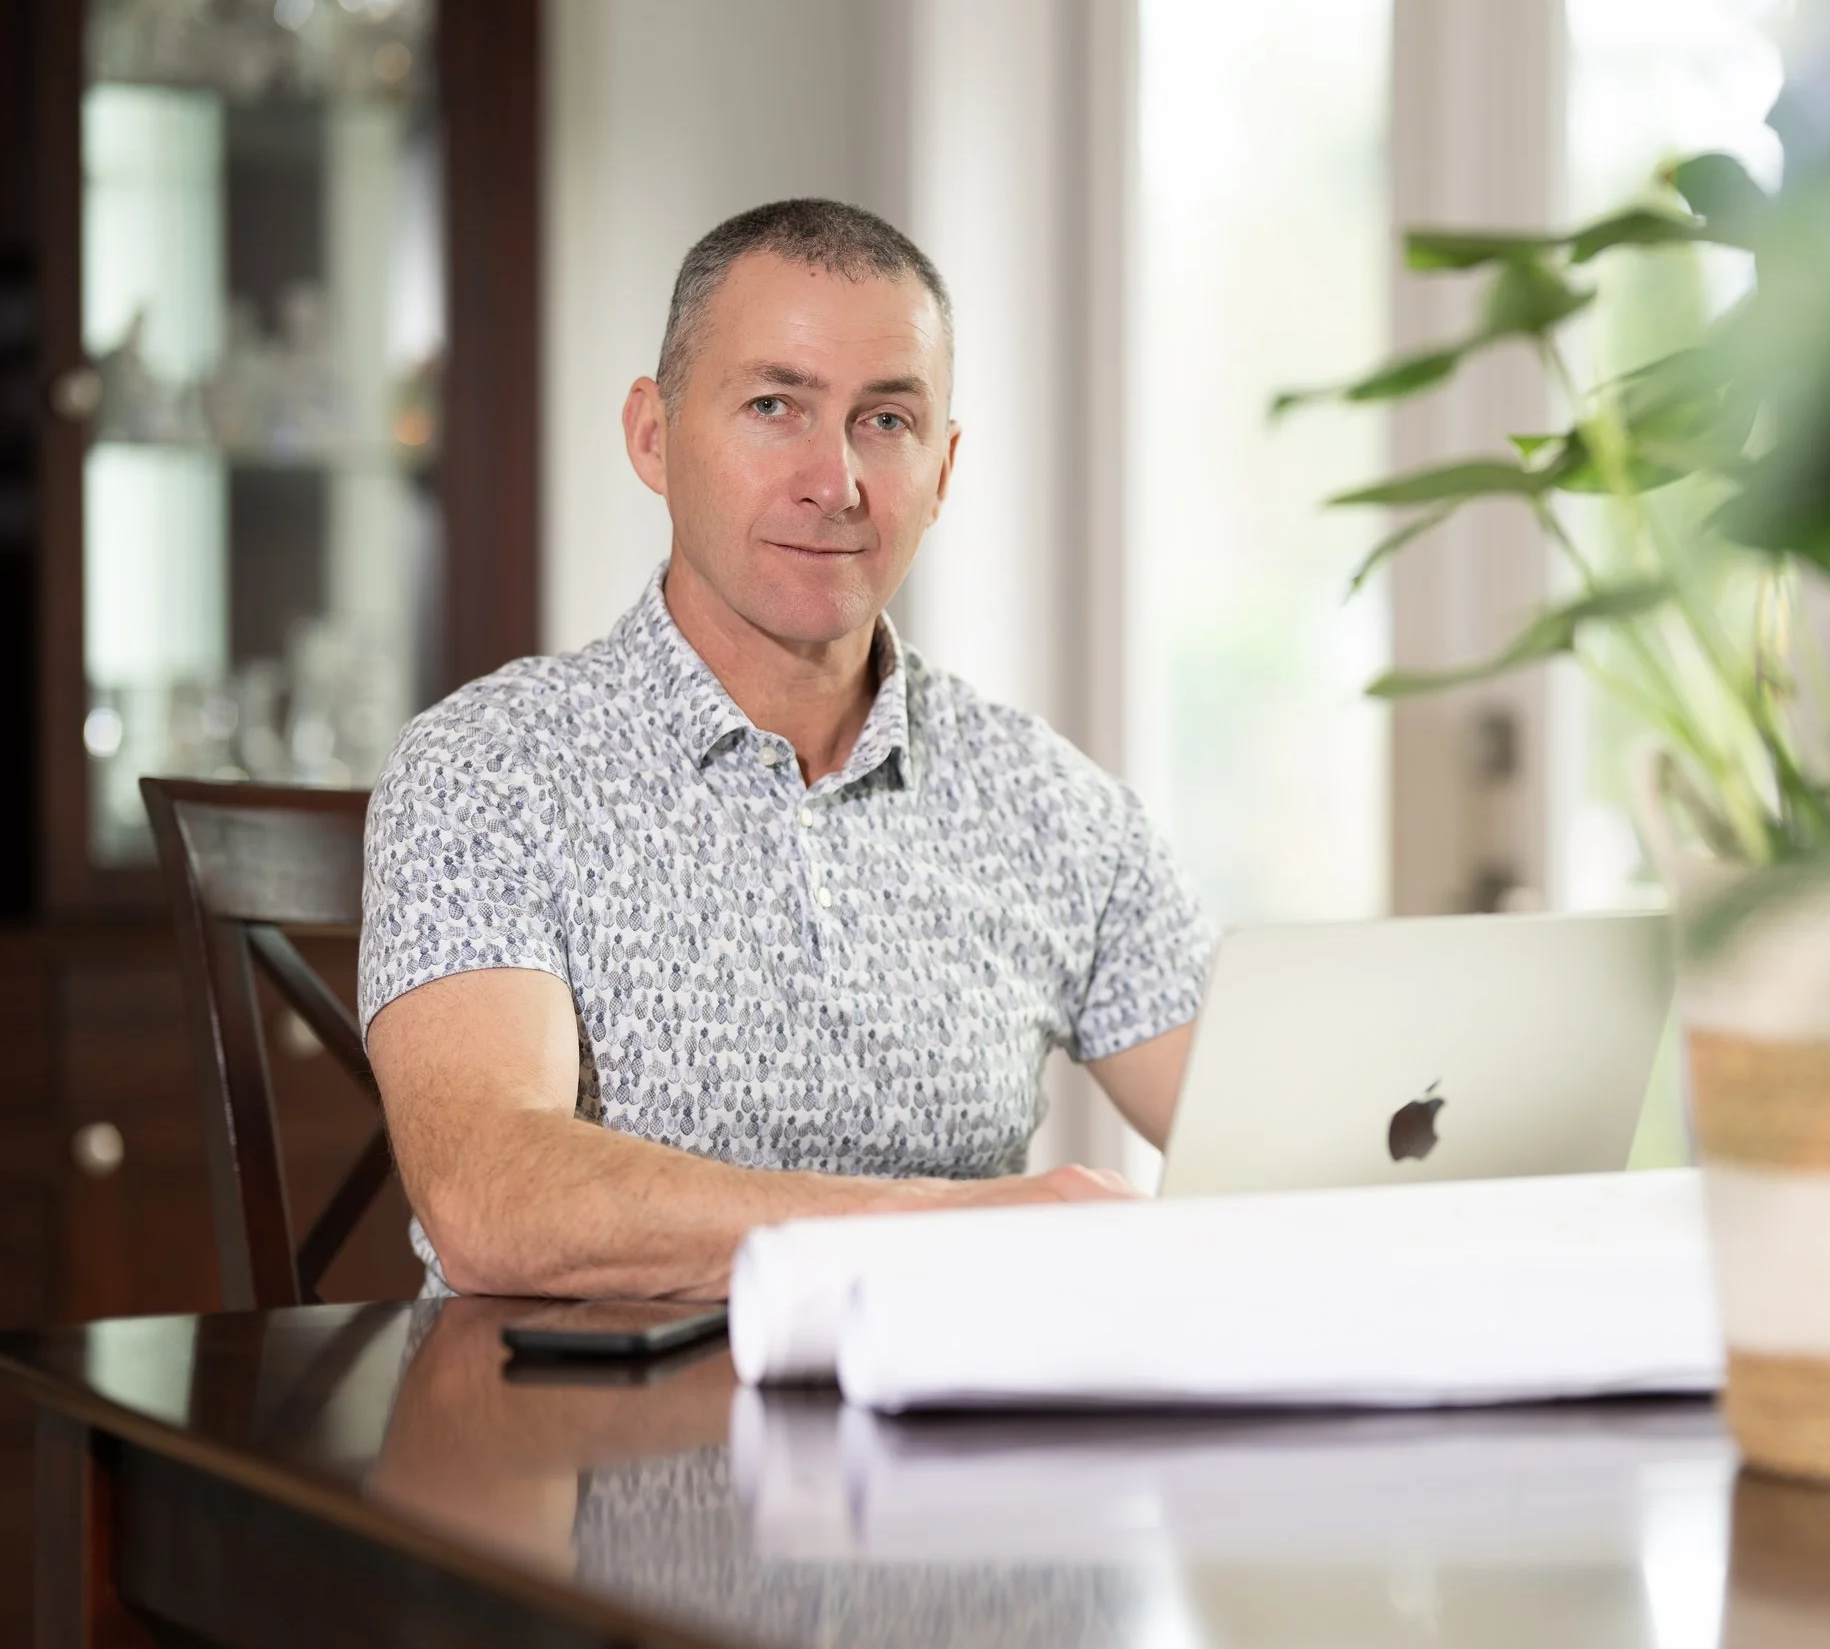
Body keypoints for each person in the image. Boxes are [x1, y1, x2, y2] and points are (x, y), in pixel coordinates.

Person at [360, 200, 1212, 1301]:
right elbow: (492, 1199)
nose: (837, 480)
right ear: (652, 436)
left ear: (944, 469)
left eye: (887, 421)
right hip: (574, 1445)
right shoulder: (488, 772)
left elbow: (1293, 1146)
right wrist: (957, 1225)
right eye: (775, 406)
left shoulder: (1053, 805)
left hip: (952, 1451)